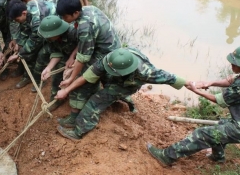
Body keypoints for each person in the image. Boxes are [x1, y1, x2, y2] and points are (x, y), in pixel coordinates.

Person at [147, 46, 240, 166]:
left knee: (202, 133)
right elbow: (230, 81)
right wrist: (210, 82)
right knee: (220, 127)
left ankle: (166, 156)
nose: (231, 65)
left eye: (235, 63)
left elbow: (219, 100)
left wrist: (196, 91)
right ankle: (217, 157)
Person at [55, 47, 190, 141]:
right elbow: (86, 76)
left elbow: (171, 78)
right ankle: (125, 99)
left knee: (96, 101)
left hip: (131, 83)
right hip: (118, 75)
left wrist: (191, 84)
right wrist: (66, 90)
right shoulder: (108, 60)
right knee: (106, 81)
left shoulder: (146, 73)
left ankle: (78, 132)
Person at [55, 0, 122, 127]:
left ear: (75, 13)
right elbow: (83, 42)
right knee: (84, 74)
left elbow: (83, 58)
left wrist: (71, 78)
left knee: (81, 78)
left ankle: (74, 117)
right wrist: (72, 57)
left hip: (106, 54)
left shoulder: (85, 27)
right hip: (109, 47)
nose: (63, 19)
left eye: (65, 16)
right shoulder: (88, 9)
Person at [6, 0, 56, 90]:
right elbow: (26, 29)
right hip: (42, 30)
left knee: (41, 54)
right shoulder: (26, 10)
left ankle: (39, 80)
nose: (17, 22)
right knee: (27, 51)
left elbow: (35, 40)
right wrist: (20, 44)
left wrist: (19, 54)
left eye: (17, 19)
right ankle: (27, 76)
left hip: (54, 32)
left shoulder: (36, 20)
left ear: (24, 13)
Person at [38, 15, 78, 111]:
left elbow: (84, 45)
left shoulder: (73, 32)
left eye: (51, 35)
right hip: (66, 54)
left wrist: (73, 57)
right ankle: (56, 97)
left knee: (79, 77)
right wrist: (48, 68)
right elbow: (56, 52)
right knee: (57, 74)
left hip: (82, 55)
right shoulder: (49, 37)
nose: (49, 37)